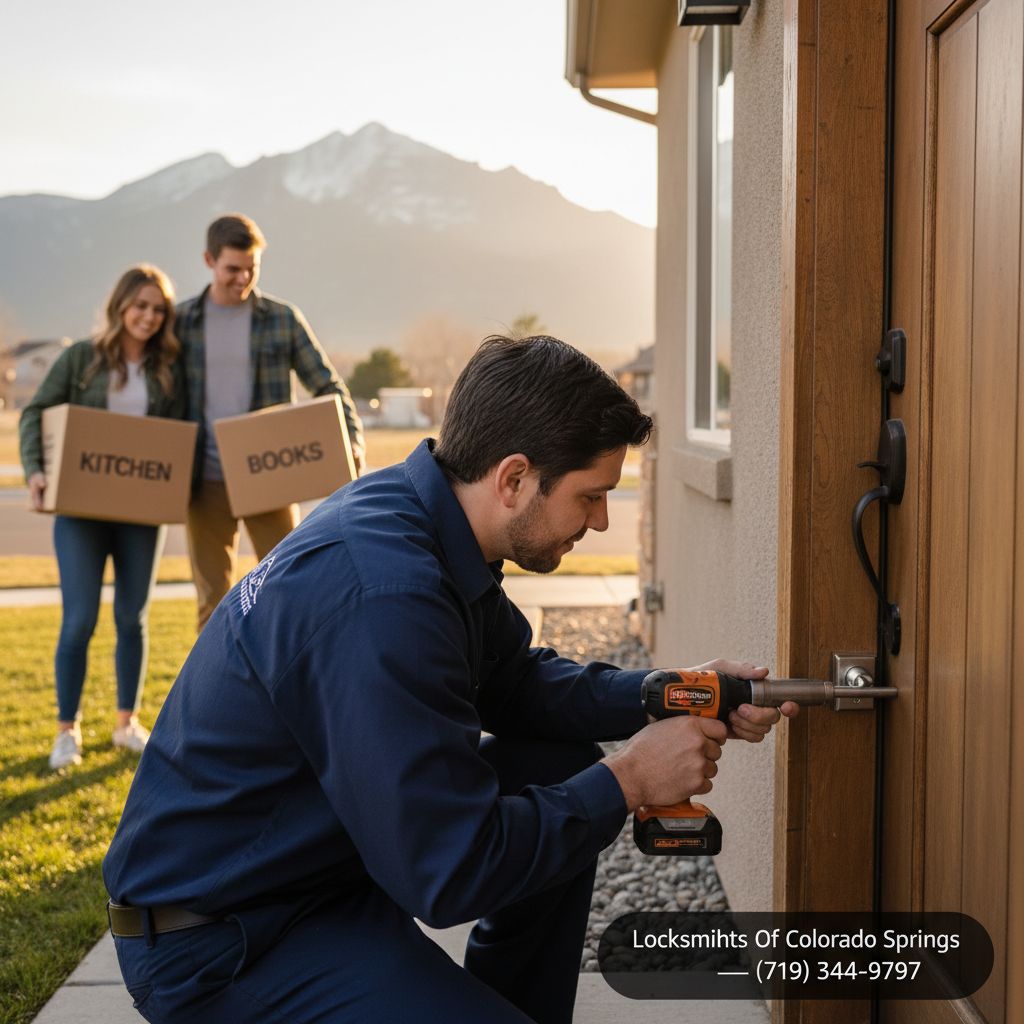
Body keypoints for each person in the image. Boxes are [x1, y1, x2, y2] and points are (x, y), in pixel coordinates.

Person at [103, 335, 797, 1024]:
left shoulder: (422, 519)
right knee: (578, 789)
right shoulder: (386, 597)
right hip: (220, 940)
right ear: (515, 478)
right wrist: (630, 781)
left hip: (313, 879)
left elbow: (517, 683)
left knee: (548, 761)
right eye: (592, 496)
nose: (601, 520)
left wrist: (670, 691)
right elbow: (447, 868)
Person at [19, 265, 187, 770]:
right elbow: (35, 411)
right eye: (141, 306)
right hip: (80, 510)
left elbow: (177, 436)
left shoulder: (167, 368)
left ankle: (125, 724)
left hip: (141, 511)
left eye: (159, 310)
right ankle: (66, 731)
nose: (149, 317)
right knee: (78, 621)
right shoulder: (81, 359)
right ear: (120, 306)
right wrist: (36, 471)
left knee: (132, 618)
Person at [175, 213, 364, 631]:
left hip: (269, 472)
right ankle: (217, 694)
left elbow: (327, 383)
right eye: (232, 269)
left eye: (252, 268)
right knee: (212, 601)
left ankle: (285, 689)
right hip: (203, 480)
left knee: (288, 588)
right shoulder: (180, 321)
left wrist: (350, 438)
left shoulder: (282, 318)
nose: (243, 278)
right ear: (209, 260)